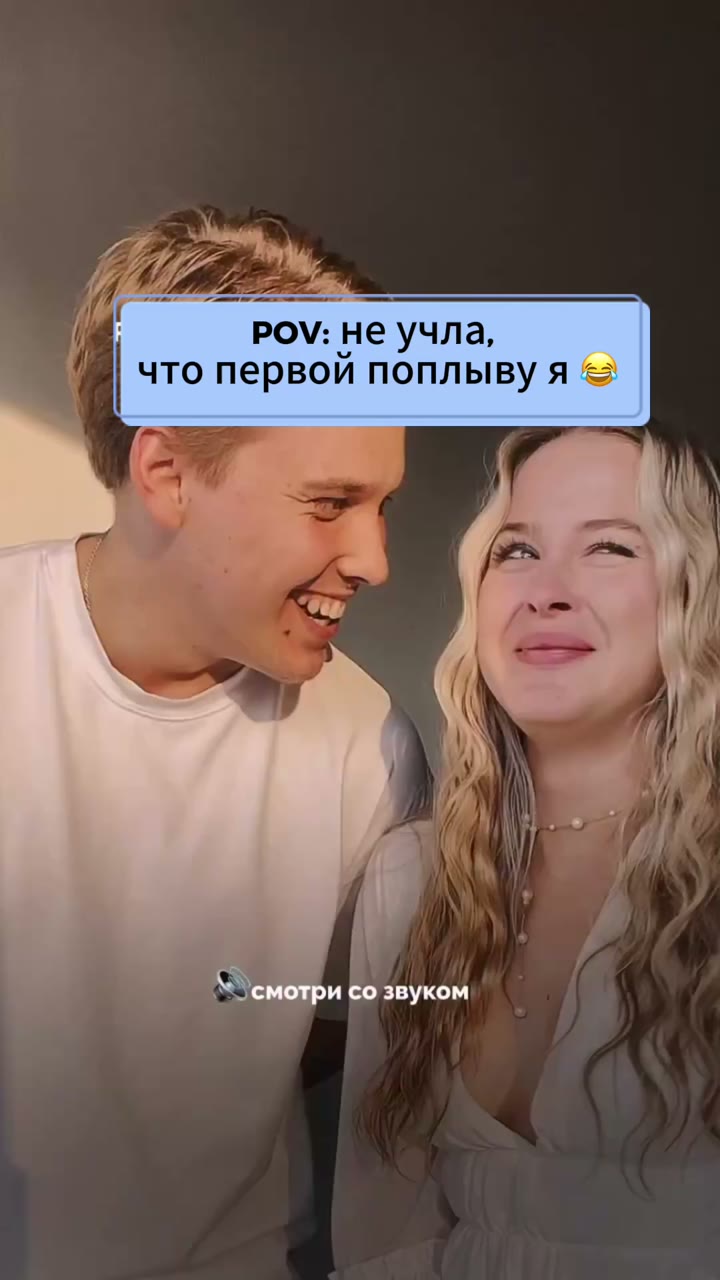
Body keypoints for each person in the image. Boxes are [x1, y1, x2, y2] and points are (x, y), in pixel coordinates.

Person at [0, 206, 431, 1280]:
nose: (374, 558)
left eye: (383, 504)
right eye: (330, 502)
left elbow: (360, 1044)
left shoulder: (368, 746)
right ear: (168, 474)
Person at [331, 423, 720, 1279]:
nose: (547, 592)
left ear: (693, 593)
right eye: (517, 551)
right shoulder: (411, 879)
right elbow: (380, 1228)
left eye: (610, 547)